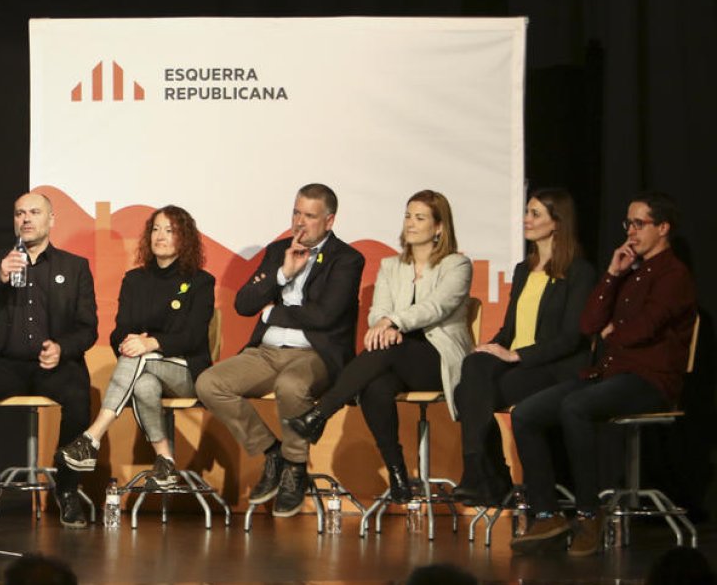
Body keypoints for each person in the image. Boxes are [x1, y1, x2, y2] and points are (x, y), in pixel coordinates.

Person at [510, 191, 697, 557]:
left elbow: (646, 326)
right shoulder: (628, 271)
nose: (631, 231)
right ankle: (546, 513)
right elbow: (589, 323)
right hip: (609, 374)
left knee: (575, 407)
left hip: (649, 380)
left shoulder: (674, 274)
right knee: (526, 414)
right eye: (628, 223)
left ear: (663, 228)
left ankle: (588, 514)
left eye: (639, 223)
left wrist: (614, 333)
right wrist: (612, 274)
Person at [285, 190, 473, 502]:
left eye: (420, 218)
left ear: (439, 227)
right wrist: (385, 323)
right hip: (394, 356)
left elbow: (436, 308)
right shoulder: (390, 266)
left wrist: (393, 322)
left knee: (385, 350)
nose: (410, 223)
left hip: (437, 359)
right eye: (408, 216)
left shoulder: (457, 265)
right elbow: (376, 312)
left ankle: (320, 414)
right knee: (376, 385)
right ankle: (398, 476)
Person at [195, 183, 364, 517]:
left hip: (315, 354)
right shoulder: (277, 252)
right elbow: (244, 304)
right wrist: (283, 273)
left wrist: (274, 313)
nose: (299, 223)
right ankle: (274, 453)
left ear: (329, 221)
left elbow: (325, 316)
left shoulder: (347, 260)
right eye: (296, 213)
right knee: (209, 384)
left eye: (310, 216)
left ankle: (296, 469)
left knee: (292, 386)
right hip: (267, 351)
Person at [0, 192, 98, 528]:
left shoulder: (74, 267)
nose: (26, 219)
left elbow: (88, 328)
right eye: (19, 213)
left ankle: (66, 489)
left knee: (80, 397)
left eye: (35, 212)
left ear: (51, 220)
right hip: (5, 364)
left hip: (55, 364)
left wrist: (62, 348)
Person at [451, 189, 595, 505]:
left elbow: (572, 338)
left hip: (554, 368)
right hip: (518, 361)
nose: (526, 220)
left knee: (468, 395)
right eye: (527, 212)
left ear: (557, 223)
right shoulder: (522, 269)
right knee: (474, 366)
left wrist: (517, 354)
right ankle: (481, 471)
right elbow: (510, 331)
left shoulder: (579, 272)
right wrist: (492, 347)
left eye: (535, 214)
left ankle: (487, 476)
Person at [55, 206, 215, 489]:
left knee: (138, 356)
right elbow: (119, 332)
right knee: (143, 384)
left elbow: (192, 337)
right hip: (144, 368)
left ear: (185, 238)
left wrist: (151, 343)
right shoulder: (134, 280)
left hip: (188, 372)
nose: (160, 236)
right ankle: (165, 461)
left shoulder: (200, 282)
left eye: (170, 230)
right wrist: (131, 344)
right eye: (155, 229)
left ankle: (91, 437)